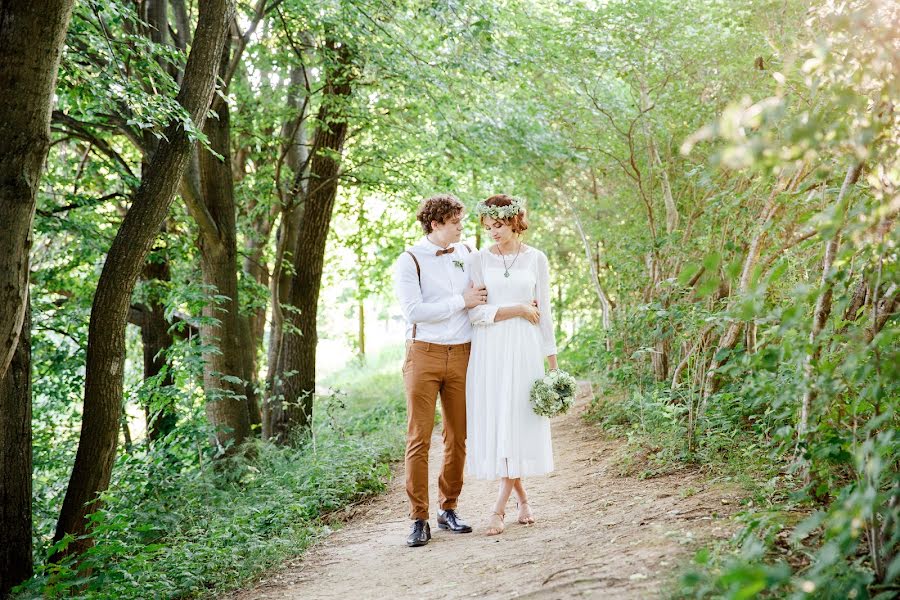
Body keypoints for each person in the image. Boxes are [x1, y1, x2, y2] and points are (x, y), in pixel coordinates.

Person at [392, 193, 488, 547]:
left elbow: (483, 294)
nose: (462, 227)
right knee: (419, 438)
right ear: (436, 224)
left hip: (464, 353)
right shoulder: (409, 260)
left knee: (457, 436)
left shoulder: (466, 254)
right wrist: (460, 302)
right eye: (456, 222)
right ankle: (418, 518)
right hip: (424, 354)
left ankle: (449, 508)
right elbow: (414, 311)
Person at [464, 194, 558, 536]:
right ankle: (519, 501)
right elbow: (475, 313)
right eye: (488, 227)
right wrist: (517, 308)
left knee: (517, 419)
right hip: (490, 348)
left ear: (515, 221)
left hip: (524, 346)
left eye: (499, 225)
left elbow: (544, 310)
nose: (493, 232)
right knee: (500, 420)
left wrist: (553, 362)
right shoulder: (478, 260)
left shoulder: (536, 258)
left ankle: (499, 508)